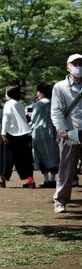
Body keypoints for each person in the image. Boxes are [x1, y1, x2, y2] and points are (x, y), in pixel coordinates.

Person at [51, 54, 82, 213]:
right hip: (70, 131)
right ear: (68, 67)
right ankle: (60, 201)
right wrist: (61, 129)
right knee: (67, 168)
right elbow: (56, 110)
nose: (78, 66)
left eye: (81, 63)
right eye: (75, 63)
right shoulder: (60, 86)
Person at [0, 86, 35, 189]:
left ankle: (2, 179)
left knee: (6, 158)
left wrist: (3, 133)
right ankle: (30, 180)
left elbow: (6, 118)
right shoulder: (20, 104)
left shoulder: (8, 104)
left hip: (10, 133)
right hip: (23, 134)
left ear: (9, 94)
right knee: (24, 158)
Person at [29, 83, 60, 188]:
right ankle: (53, 179)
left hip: (40, 132)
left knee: (41, 155)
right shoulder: (54, 103)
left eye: (38, 92)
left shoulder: (39, 104)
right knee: (53, 154)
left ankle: (46, 180)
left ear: (42, 92)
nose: (37, 94)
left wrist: (30, 114)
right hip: (53, 131)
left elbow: (33, 118)